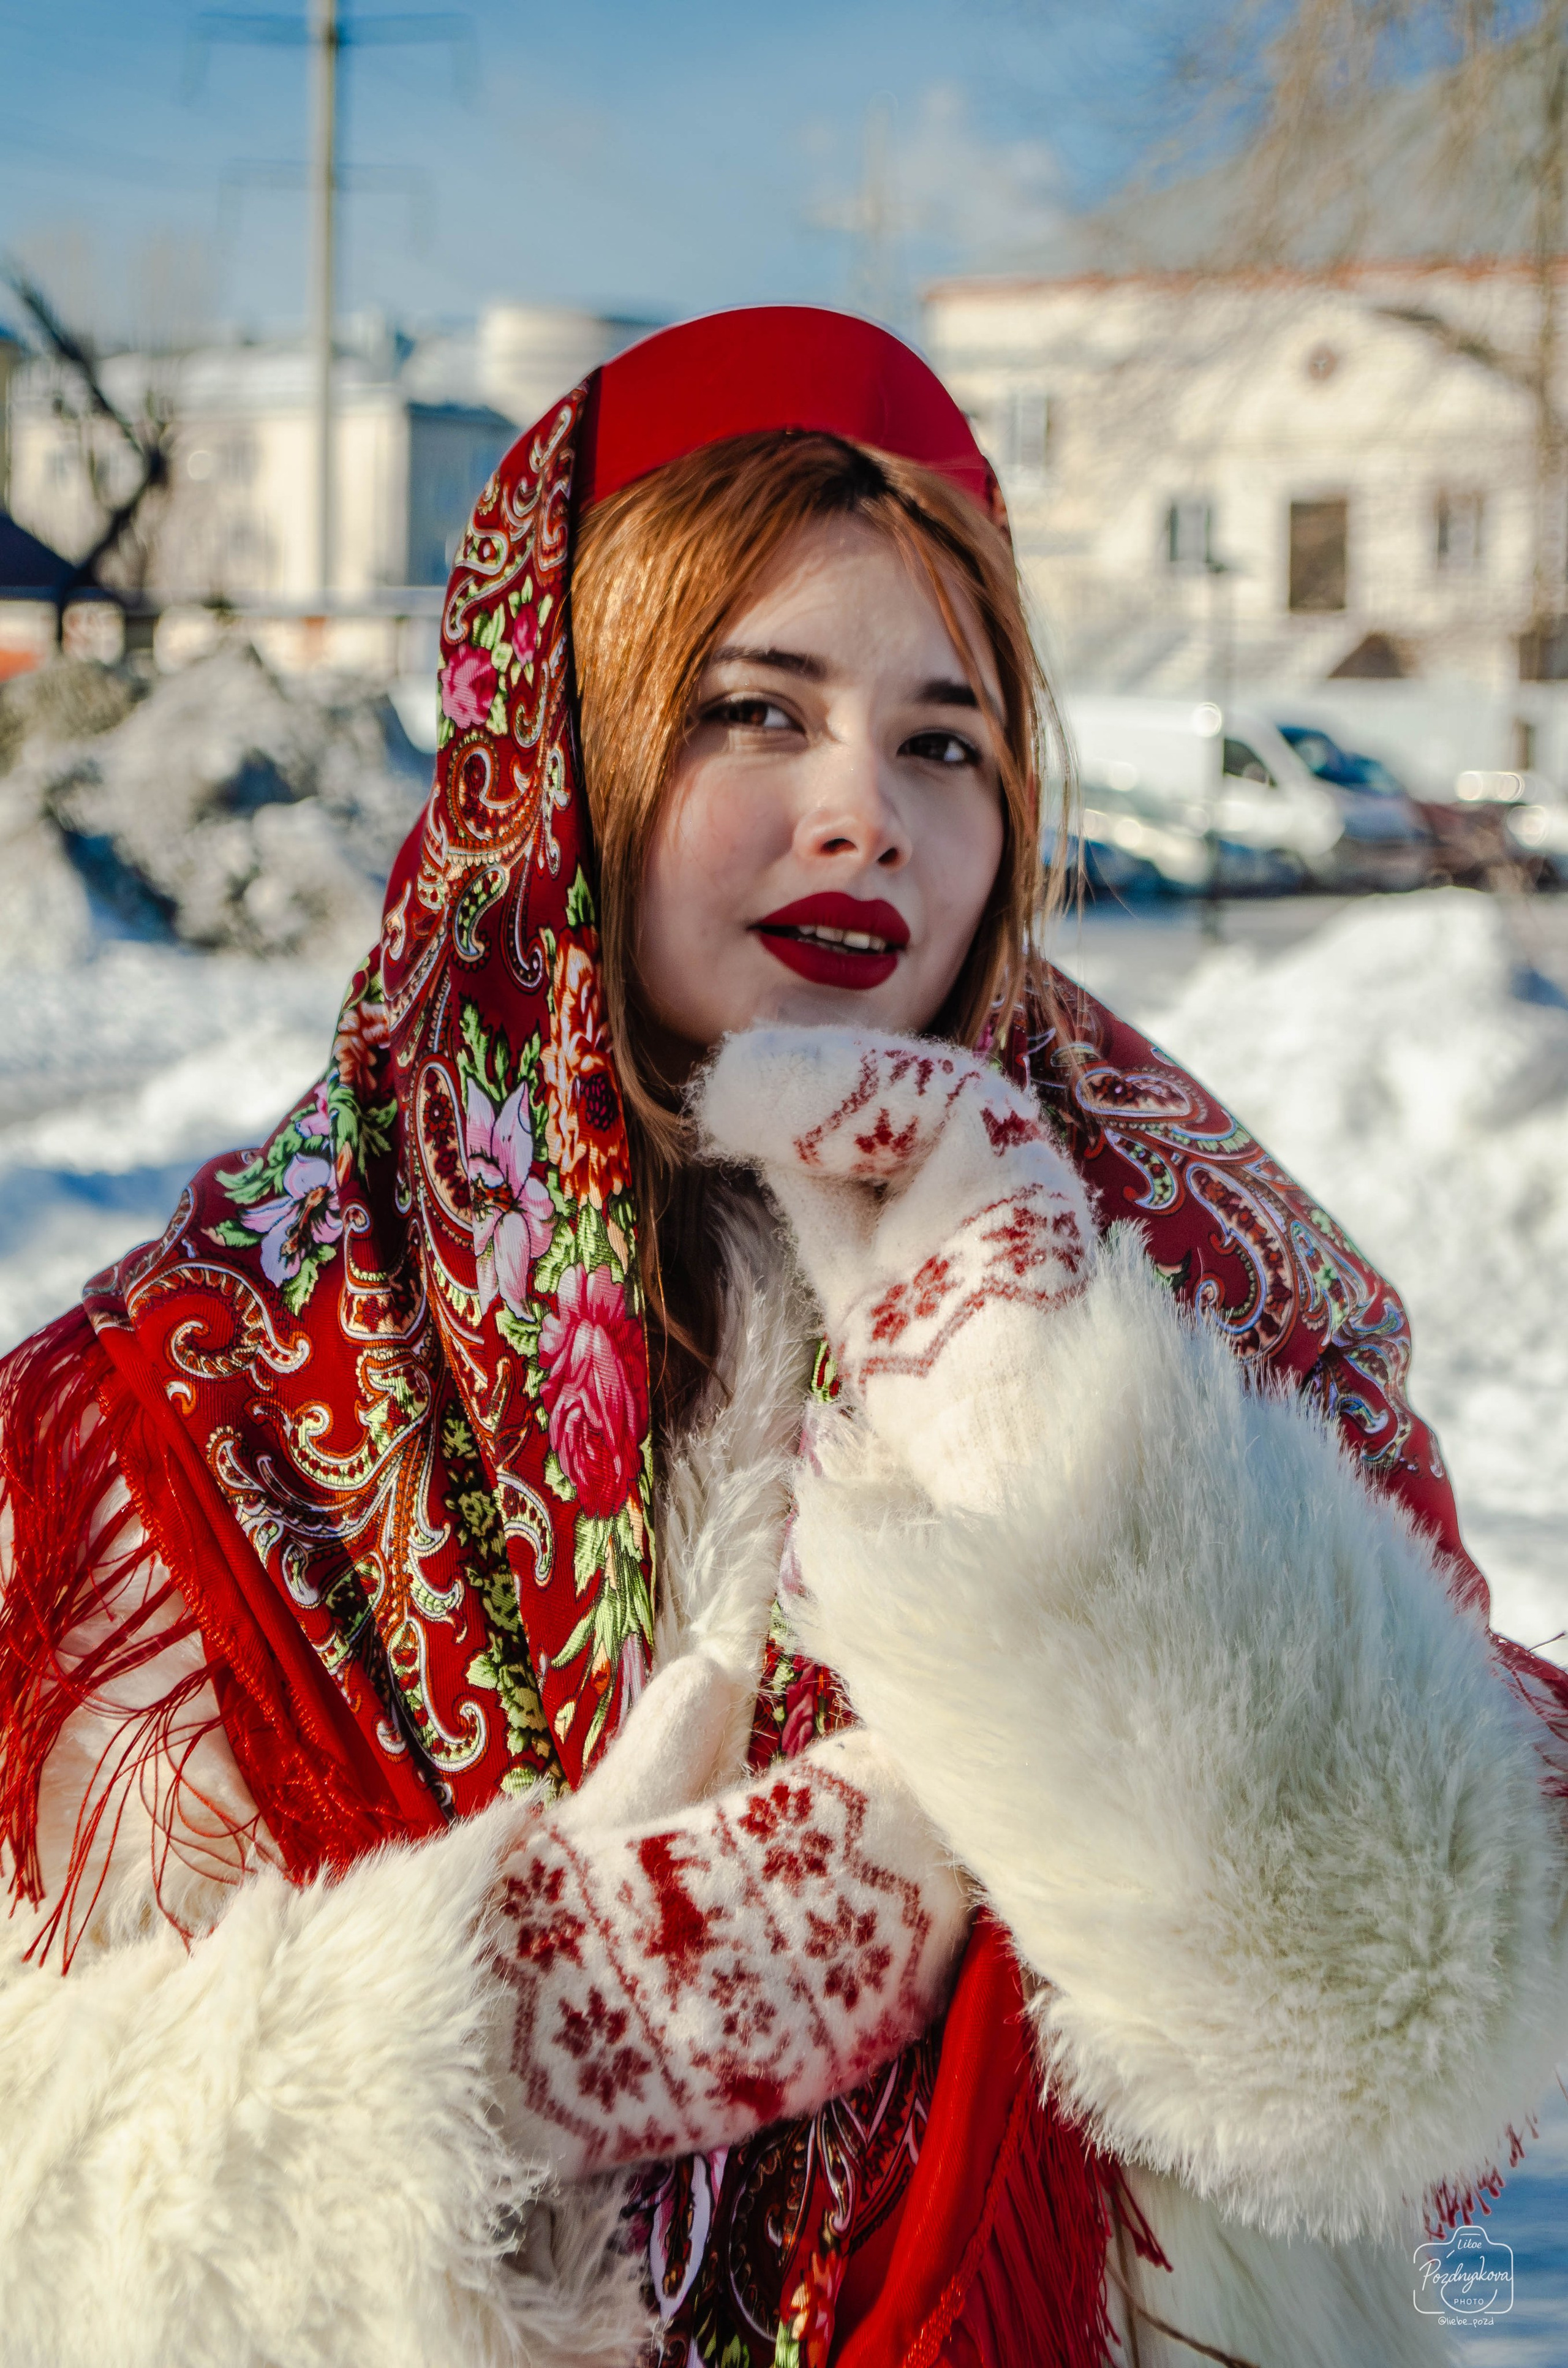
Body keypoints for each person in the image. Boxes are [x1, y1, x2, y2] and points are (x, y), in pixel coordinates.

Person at [2, 306, 1567, 2368]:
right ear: (557, 740)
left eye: (945, 738)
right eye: (755, 710)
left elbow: (1423, 2073)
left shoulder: (1197, 1289)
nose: (869, 814)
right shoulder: (182, 1403)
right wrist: (502, 2043)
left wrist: (1081, 1451)